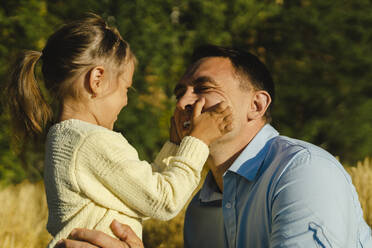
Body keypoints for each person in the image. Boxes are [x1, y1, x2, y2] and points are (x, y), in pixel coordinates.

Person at [56, 45, 372, 248]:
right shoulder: (198, 211)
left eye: (203, 88)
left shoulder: (302, 173)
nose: (182, 102)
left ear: (257, 105)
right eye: (179, 92)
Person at [5, 13, 234, 248]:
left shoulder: (68, 139)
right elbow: (164, 201)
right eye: (126, 88)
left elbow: (138, 198)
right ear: (97, 79)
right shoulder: (90, 140)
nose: (125, 101)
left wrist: (174, 147)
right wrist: (198, 140)